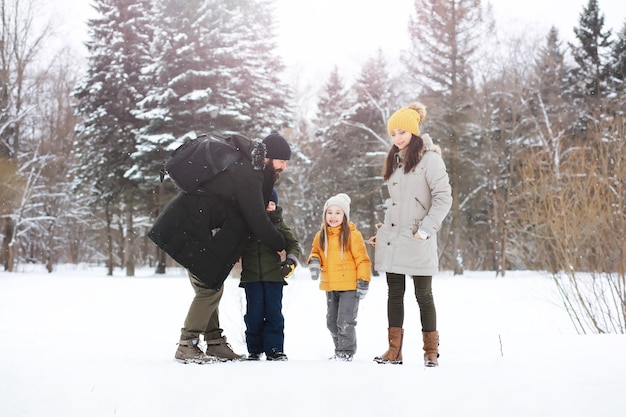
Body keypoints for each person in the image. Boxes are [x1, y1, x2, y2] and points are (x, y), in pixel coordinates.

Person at [149, 132, 293, 364]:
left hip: (193, 227)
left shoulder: (249, 169)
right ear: (269, 158)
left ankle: (214, 342)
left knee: (210, 283)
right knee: (209, 289)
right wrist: (279, 244)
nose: (284, 166)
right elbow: (255, 217)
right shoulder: (249, 172)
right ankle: (187, 344)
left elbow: (239, 215)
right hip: (186, 227)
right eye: (282, 161)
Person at [369, 103, 452, 367]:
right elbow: (395, 203)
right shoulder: (394, 160)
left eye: (402, 131)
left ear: (414, 130)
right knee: (394, 292)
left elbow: (443, 198)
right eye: (393, 133)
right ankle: (394, 350)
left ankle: (430, 351)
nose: (397, 138)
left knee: (423, 294)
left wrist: (426, 230)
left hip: (419, 235)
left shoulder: (431, 159)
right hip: (394, 236)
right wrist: (383, 231)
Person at [307, 193, 371, 361]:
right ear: (324, 215)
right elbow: (315, 251)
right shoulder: (321, 235)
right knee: (331, 322)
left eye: (338, 213)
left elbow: (363, 259)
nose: (333, 217)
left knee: (345, 321)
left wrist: (363, 281)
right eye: (329, 212)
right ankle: (339, 350)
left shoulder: (352, 235)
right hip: (330, 285)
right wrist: (314, 261)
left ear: (345, 215)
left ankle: (346, 353)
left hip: (350, 286)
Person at [239, 189, 300, 361]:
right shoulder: (248, 223)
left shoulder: (279, 224)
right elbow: (235, 241)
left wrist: (290, 261)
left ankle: (274, 349)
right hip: (251, 278)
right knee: (254, 315)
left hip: (274, 277)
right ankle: (254, 349)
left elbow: (293, 244)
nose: (268, 207)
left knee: (274, 313)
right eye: (265, 203)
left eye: (272, 204)